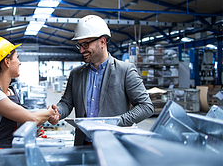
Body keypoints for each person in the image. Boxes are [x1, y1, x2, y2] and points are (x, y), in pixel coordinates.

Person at [48, 15, 154, 146]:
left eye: (85, 44)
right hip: (83, 144)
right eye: (79, 45)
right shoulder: (76, 74)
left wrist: (117, 122)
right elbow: (67, 103)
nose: (81, 50)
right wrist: (58, 111)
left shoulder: (124, 71)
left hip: (114, 145)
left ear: (102, 42)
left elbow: (146, 106)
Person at [0, 36, 57, 166]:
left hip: (11, 159)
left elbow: (18, 123)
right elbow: (33, 118)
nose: (19, 62)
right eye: (17, 57)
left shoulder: (11, 92)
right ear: (6, 62)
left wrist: (31, 132)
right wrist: (50, 112)